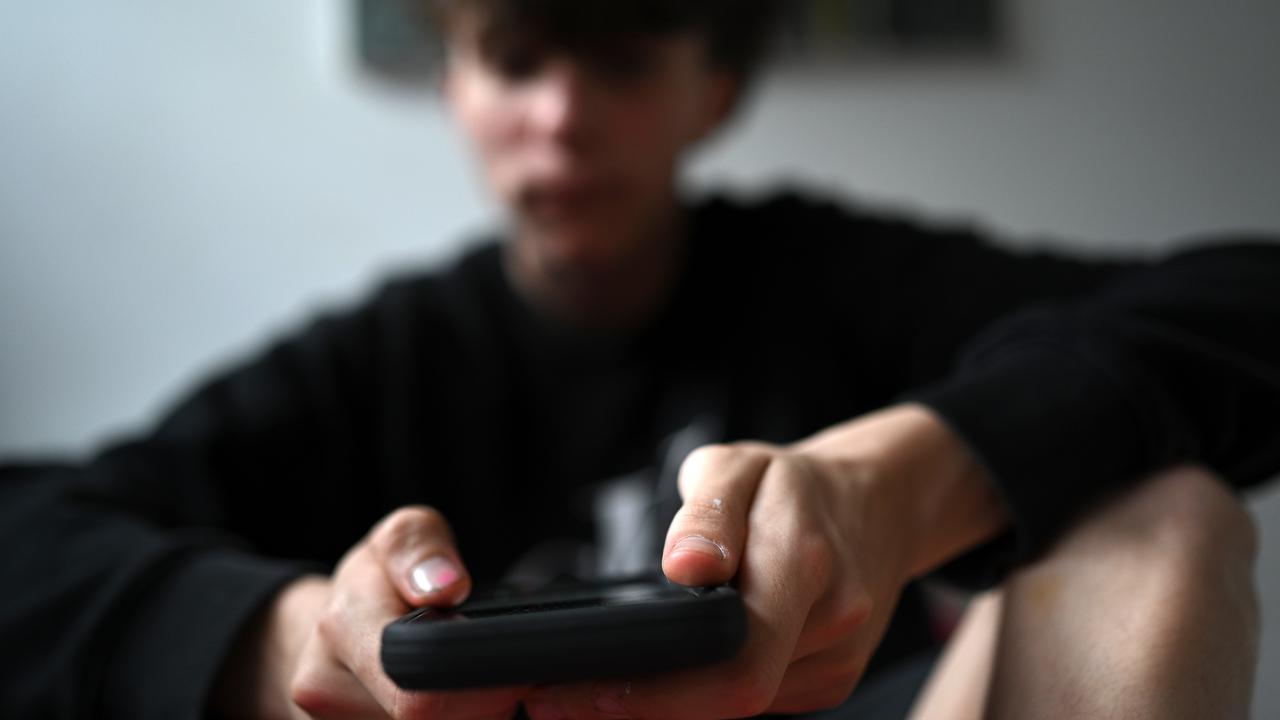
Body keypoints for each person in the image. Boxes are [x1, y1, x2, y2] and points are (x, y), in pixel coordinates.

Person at [1, 1, 1277, 718]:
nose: (558, 115)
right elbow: (29, 542)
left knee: (1166, 514)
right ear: (450, 80)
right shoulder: (378, 363)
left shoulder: (832, 278)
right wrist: (298, 641)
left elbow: (1249, 297)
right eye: (512, 56)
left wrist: (896, 482)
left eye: (617, 53)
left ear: (710, 89)